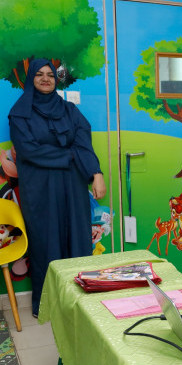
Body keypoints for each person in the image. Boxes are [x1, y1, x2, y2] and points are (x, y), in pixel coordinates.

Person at [8, 58, 106, 317]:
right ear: (31, 79)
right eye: (39, 74)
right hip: (40, 187)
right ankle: (48, 305)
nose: (45, 79)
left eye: (50, 75)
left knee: (77, 239)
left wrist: (96, 174)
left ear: (56, 79)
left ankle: (79, 305)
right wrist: (68, 155)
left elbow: (83, 141)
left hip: (72, 185)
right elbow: (29, 151)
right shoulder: (19, 113)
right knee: (45, 242)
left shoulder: (69, 110)